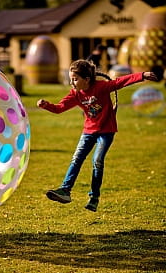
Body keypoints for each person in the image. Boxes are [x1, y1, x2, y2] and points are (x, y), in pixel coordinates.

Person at [37, 59, 158, 212]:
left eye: (75, 79)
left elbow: (120, 82)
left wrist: (142, 75)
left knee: (97, 161)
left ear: (86, 79)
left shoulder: (101, 87)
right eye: (71, 79)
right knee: (76, 158)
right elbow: (59, 108)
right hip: (88, 131)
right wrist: (46, 105)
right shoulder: (76, 94)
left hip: (106, 131)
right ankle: (65, 191)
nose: (72, 83)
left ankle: (94, 197)